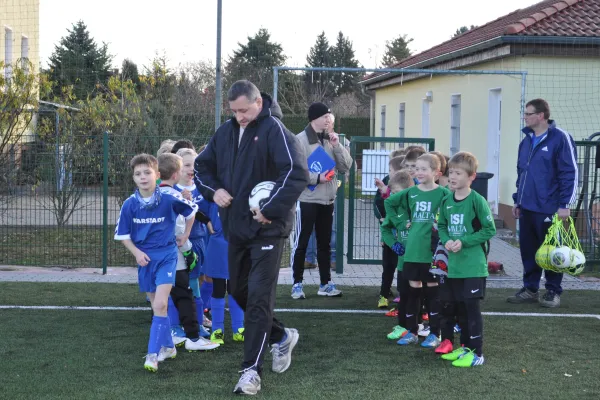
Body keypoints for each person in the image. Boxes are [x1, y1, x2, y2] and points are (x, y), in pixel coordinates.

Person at [194, 80, 308, 395]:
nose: (239, 116)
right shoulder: (226, 132)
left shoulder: (275, 131)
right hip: (237, 229)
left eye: (244, 110)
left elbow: (296, 174)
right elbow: (202, 169)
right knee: (240, 292)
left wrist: (270, 209)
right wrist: (214, 190)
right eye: (234, 111)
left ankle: (250, 372)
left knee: (258, 297)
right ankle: (281, 336)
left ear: (258, 102)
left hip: (269, 228)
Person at [114, 153, 198, 372]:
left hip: (167, 255)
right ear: (133, 178)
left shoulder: (169, 198)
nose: (143, 177)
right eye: (138, 174)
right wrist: (136, 253)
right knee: (156, 306)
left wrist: (186, 235)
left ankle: (153, 354)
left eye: (147, 172)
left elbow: (192, 212)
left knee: (161, 304)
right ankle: (169, 347)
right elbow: (123, 235)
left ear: (157, 175)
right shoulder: (129, 205)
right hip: (145, 259)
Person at [508, 99, 578, 308]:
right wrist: (517, 200)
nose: (525, 117)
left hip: (550, 207)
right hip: (527, 207)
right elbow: (522, 173)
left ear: (541, 116)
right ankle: (530, 288)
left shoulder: (560, 138)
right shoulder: (527, 140)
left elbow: (570, 172)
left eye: (528, 114)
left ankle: (552, 291)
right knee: (528, 250)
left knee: (552, 251)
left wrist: (565, 204)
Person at [436, 151, 496, 367]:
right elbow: (441, 226)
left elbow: (490, 229)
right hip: (454, 267)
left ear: (471, 177)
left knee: (471, 310)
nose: (452, 177)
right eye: (451, 172)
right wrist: (446, 240)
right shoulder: (446, 201)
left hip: (473, 266)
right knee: (459, 308)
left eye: (458, 173)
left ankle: (477, 353)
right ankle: (464, 348)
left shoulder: (477, 201)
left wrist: (464, 241)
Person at [386, 154, 451, 347]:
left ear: (437, 173)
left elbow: (451, 213)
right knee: (413, 292)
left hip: (431, 252)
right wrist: (400, 222)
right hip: (412, 251)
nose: (419, 172)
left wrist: (441, 225)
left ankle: (434, 333)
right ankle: (412, 331)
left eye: (424, 169)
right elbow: (389, 203)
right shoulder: (411, 192)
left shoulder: (444, 194)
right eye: (417, 168)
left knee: (433, 293)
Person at [290, 102, 353, 299]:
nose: (328, 119)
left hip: (328, 201)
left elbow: (345, 167)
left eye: (329, 116)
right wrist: (317, 178)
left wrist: (337, 146)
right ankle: (297, 284)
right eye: (324, 116)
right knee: (302, 243)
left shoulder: (332, 139)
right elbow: (295, 171)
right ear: (314, 118)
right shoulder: (299, 140)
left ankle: (325, 284)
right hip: (307, 199)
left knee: (324, 245)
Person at [157, 153, 219, 351]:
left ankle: (168, 337)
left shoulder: (149, 196)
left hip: (154, 256)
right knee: (184, 293)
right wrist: (185, 241)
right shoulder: (173, 195)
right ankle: (192, 337)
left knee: (161, 296)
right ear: (176, 175)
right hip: (173, 254)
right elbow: (192, 212)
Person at [381, 170, 414, 341]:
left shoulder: (417, 207)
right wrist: (394, 244)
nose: (393, 196)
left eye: (396, 193)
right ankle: (402, 326)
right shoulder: (395, 209)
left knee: (423, 295)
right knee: (404, 294)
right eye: (392, 193)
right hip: (403, 263)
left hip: (422, 261)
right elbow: (385, 229)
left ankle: (423, 326)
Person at [374, 155, 405, 308]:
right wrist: (384, 237)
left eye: (391, 170)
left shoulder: (409, 200)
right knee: (388, 268)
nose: (389, 173)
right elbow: (386, 223)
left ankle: (402, 294)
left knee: (402, 269)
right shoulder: (390, 198)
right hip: (391, 241)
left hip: (404, 242)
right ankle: (383, 295)